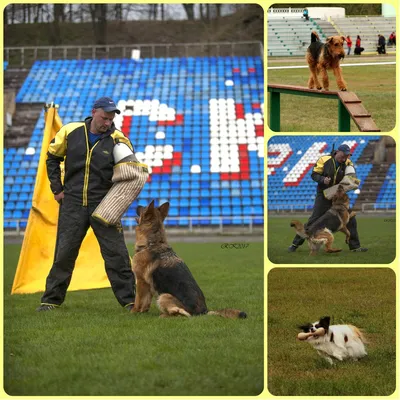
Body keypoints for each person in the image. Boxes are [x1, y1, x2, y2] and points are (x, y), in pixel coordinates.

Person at [36, 97, 138, 311]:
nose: (107, 123)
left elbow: (133, 172)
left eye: (110, 119)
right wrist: (58, 190)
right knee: (64, 254)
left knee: (117, 255)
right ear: (94, 112)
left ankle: (130, 302)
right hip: (72, 204)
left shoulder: (119, 140)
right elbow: (52, 158)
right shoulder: (70, 131)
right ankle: (50, 301)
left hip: (105, 206)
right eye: (104, 118)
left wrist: (119, 200)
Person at [288, 144, 368, 253]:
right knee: (314, 220)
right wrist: (322, 179)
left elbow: (351, 178)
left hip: (338, 196)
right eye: (343, 155)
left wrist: (352, 182)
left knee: (351, 220)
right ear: (338, 152)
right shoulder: (324, 159)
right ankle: (294, 245)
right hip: (323, 195)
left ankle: (355, 247)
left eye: (347, 156)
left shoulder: (348, 163)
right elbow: (314, 174)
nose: (345, 158)